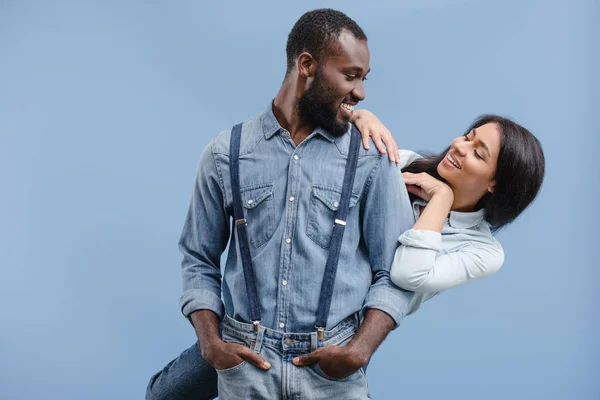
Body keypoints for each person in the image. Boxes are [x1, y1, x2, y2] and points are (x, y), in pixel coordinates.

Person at [146, 8, 415, 400]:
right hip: (248, 368)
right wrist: (211, 344)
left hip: (332, 377)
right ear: (307, 64)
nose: (360, 93)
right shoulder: (227, 153)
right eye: (350, 75)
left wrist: (358, 352)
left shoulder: (371, 156)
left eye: (363, 79)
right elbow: (197, 258)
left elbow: (393, 271)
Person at [352, 110, 545, 315]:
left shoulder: (483, 251)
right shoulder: (404, 162)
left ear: (495, 185)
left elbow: (406, 275)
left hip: (347, 326)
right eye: (467, 137)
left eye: (478, 153)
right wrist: (358, 117)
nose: (459, 147)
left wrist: (442, 198)